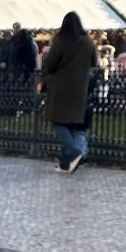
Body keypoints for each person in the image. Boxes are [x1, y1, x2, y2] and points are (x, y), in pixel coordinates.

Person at [40, 11, 97, 174]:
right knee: (70, 123)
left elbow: (50, 63)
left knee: (57, 121)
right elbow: (94, 61)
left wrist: (45, 57)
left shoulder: (61, 39)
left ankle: (74, 152)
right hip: (80, 88)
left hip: (61, 87)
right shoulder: (88, 41)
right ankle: (65, 164)